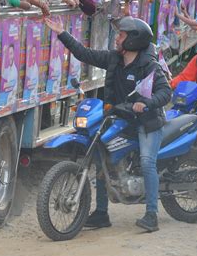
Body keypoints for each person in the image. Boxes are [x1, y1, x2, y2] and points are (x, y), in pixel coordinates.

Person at [45, 16, 172, 232]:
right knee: (101, 155)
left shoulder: (149, 66)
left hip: (147, 121)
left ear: (132, 40)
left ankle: (152, 214)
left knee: (148, 161)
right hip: (120, 117)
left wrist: (147, 104)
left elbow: (165, 92)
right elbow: (84, 54)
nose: (117, 39)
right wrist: (61, 32)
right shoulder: (114, 59)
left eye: (121, 35)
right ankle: (102, 213)